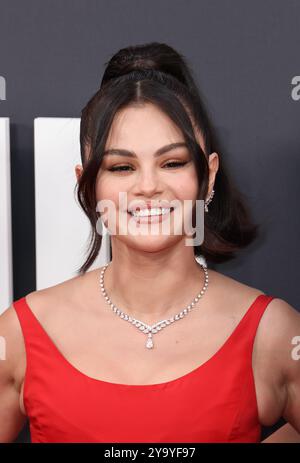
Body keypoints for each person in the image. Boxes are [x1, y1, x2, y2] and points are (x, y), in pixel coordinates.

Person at [0, 42, 299, 443]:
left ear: (208, 176)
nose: (147, 187)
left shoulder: (273, 333)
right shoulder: (20, 334)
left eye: (172, 162)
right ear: (87, 186)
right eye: (121, 167)